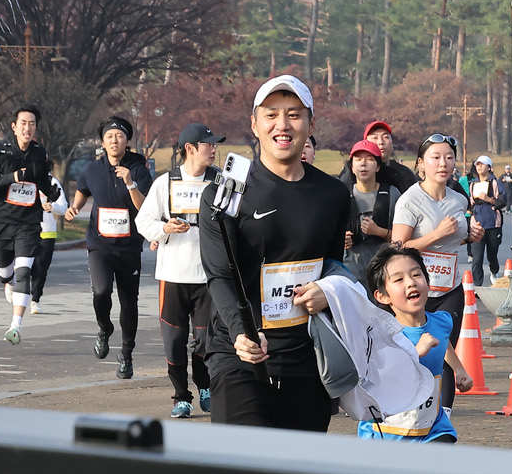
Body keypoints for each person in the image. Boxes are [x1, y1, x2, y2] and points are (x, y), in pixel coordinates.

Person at [202, 75, 353, 430]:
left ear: (311, 124)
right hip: (240, 351)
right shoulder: (224, 194)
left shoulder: (332, 194)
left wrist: (327, 292)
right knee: (243, 469)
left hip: (308, 356)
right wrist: (243, 332)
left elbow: (333, 267)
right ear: (254, 125)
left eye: (294, 115)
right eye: (271, 115)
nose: (282, 125)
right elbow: (219, 275)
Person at [391, 133, 483, 407]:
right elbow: (398, 248)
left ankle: (443, 420)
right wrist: (436, 234)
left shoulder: (459, 200)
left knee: (445, 352)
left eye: (449, 158)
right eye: (435, 158)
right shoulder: (410, 200)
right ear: (421, 164)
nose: (443, 163)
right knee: (423, 354)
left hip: (450, 288)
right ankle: (410, 411)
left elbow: (457, 237)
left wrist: (471, 235)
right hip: (417, 290)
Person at [140, 123, 221, 418]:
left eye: (214, 144)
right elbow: (143, 221)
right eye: (208, 144)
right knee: (174, 341)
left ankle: (205, 385)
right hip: (173, 275)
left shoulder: (220, 182)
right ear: (190, 148)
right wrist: (164, 228)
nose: (213, 149)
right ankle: (180, 397)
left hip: (208, 277)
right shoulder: (166, 182)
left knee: (206, 340)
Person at [66, 115, 153, 380]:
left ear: (127, 141)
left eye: (119, 136)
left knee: (129, 303)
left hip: (129, 247)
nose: (114, 140)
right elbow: (83, 189)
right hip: (100, 244)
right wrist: (75, 207)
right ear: (102, 142)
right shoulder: (92, 169)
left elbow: (145, 207)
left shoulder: (138, 168)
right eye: (109, 136)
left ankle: (126, 355)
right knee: (101, 290)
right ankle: (104, 327)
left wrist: (130, 182)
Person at [359, 244, 465, 441]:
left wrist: (460, 370)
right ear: (382, 296)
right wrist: (416, 353)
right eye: (399, 279)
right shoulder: (379, 334)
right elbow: (379, 379)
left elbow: (442, 341)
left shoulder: (442, 321)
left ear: (428, 281)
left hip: (433, 430)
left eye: (416, 275)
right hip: (385, 434)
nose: (411, 283)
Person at [0, 105, 55, 343]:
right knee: (5, 270)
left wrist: (50, 191)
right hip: (0, 220)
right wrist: (11, 178)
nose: (27, 127)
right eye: (23, 123)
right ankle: (7, 281)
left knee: (25, 272)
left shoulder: (39, 152)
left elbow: (42, 180)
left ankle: (16, 326)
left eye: (32, 123)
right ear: (14, 126)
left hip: (28, 223)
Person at [344, 139, 397, 278]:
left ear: (378, 166)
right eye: (358, 159)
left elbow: (404, 236)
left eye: (369, 159)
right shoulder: (341, 194)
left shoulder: (392, 194)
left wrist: (379, 231)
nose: (363, 163)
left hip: (384, 271)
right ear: (351, 166)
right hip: (350, 271)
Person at [27, 162, 67, 314]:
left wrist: (53, 207)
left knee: (40, 269)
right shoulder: (24, 181)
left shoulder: (52, 183)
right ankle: (13, 285)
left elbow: (63, 207)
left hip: (47, 231)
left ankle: (35, 300)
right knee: (24, 266)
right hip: (26, 230)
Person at [340, 121, 417, 196]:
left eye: (386, 137)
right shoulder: (349, 176)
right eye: (375, 137)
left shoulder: (404, 174)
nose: (380, 142)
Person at [467, 156, 506, 284]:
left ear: (489, 167)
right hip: (477, 224)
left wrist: (488, 199)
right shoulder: (473, 184)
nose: (479, 167)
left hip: (493, 224)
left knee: (492, 256)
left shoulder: (495, 183)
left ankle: (494, 271)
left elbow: (503, 201)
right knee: (476, 259)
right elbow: (470, 202)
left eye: (482, 164)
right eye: (477, 164)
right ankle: (477, 286)